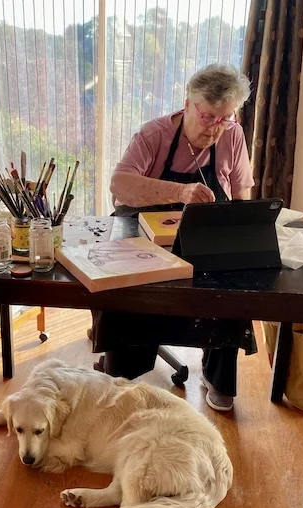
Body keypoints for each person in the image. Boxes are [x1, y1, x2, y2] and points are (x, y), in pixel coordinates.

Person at [90, 63, 256, 412]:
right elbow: (120, 185)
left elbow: (241, 194)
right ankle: (122, 370)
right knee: (130, 287)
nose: (215, 129)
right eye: (208, 117)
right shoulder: (155, 135)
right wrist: (181, 191)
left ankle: (219, 375)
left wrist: (240, 235)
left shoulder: (233, 134)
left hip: (202, 233)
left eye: (224, 119)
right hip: (144, 230)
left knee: (231, 280)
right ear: (188, 104)